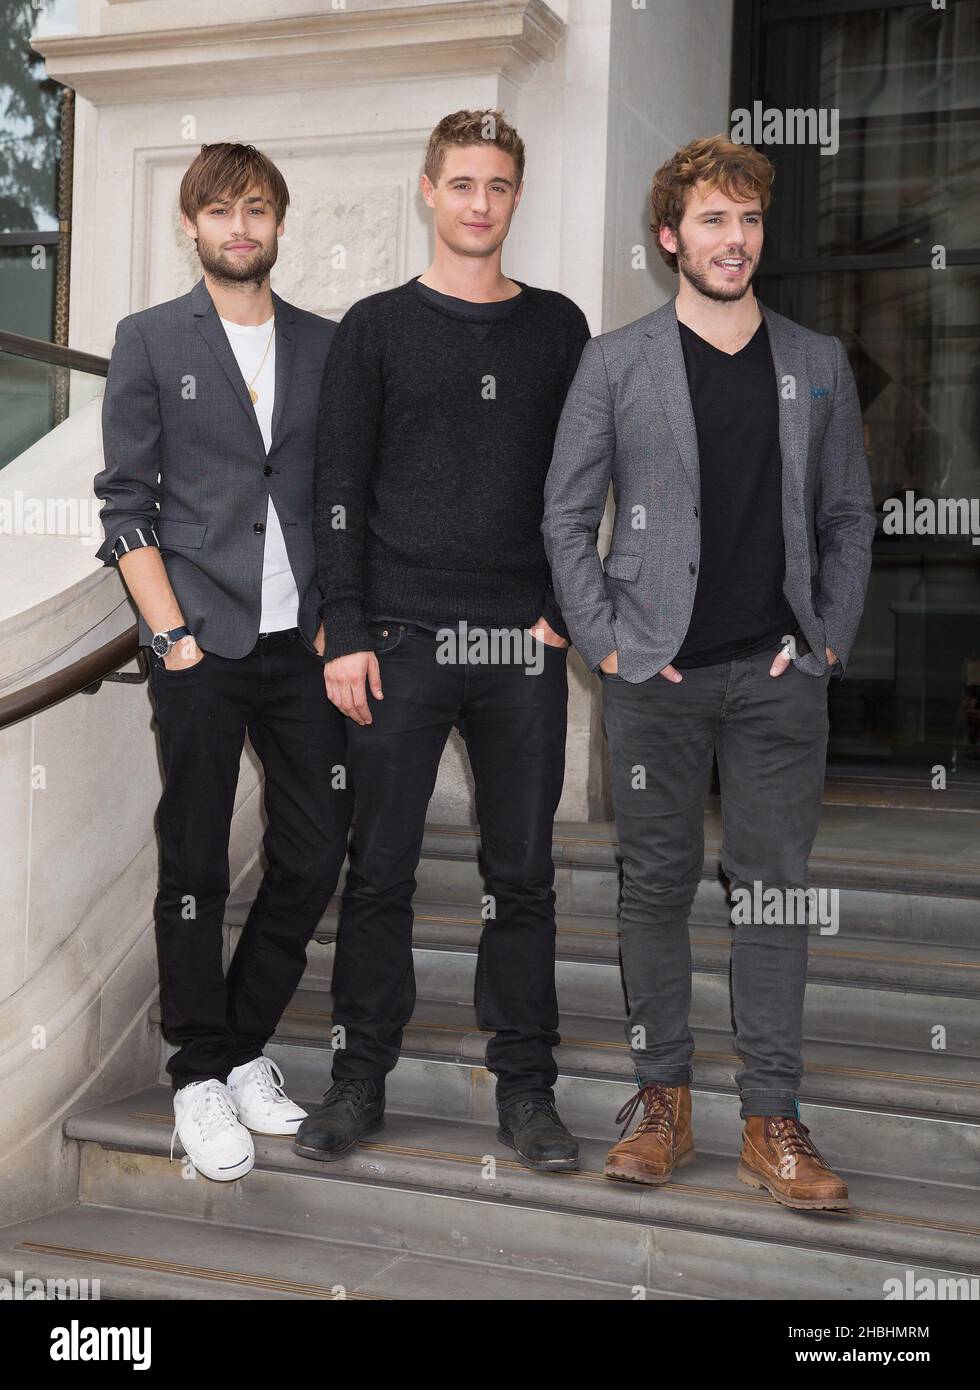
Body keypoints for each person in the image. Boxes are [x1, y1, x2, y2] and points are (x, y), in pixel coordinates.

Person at [542, 134, 876, 1211]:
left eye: (748, 221)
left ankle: (770, 1120)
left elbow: (844, 516)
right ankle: (661, 1100)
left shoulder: (815, 362)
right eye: (713, 221)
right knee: (652, 890)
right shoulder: (614, 361)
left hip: (778, 676)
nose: (734, 240)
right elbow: (561, 515)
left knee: (773, 896)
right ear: (668, 236)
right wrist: (603, 641)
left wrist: (823, 637)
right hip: (655, 678)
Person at [298, 109, 590, 1172]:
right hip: (400, 640)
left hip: (520, 644)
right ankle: (355, 1078)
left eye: (497, 186)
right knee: (376, 871)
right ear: (427, 191)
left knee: (523, 876)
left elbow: (579, 479)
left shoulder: (559, 328)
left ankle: (526, 1092)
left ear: (516, 197)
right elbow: (336, 488)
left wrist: (563, 605)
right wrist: (344, 625)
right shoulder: (371, 328)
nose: (478, 202)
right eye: (460, 182)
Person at [94, 143, 353, 1182]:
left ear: (279, 224)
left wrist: (342, 618)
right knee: (194, 856)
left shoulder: (329, 346)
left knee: (314, 846)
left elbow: (345, 494)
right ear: (189, 226)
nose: (238, 226)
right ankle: (200, 1074)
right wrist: (170, 637)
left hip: (304, 648)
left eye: (255, 209)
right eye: (219, 210)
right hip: (199, 640)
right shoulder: (151, 340)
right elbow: (125, 504)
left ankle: (238, 1044)